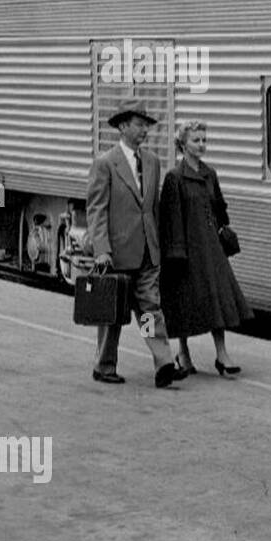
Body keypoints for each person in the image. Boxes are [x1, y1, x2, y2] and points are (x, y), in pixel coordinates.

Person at [86, 104, 182, 389]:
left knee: (151, 309)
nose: (144, 131)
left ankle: (164, 363)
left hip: (147, 251)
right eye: (139, 125)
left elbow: (152, 208)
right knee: (112, 315)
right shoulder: (105, 163)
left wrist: (159, 244)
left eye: (146, 125)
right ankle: (103, 366)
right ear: (123, 127)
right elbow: (96, 210)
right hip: (117, 251)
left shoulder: (152, 161)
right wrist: (101, 248)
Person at [159, 121, 254, 376]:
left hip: (211, 248)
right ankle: (183, 352)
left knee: (217, 300)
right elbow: (171, 219)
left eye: (204, 140)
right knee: (184, 302)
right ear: (183, 144)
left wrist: (223, 227)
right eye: (196, 140)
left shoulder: (210, 174)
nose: (201, 145)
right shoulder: (174, 178)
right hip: (187, 250)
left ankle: (222, 354)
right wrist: (176, 254)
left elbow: (220, 208)